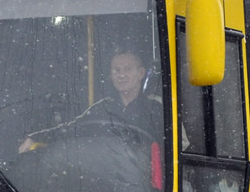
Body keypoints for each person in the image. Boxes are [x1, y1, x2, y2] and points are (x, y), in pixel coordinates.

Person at [19, 49, 161, 153]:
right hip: (108, 181)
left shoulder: (156, 108)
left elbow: (176, 147)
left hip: (145, 184)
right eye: (116, 70)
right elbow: (72, 127)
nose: (121, 75)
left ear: (141, 73)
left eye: (127, 69)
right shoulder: (102, 107)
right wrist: (36, 137)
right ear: (111, 76)